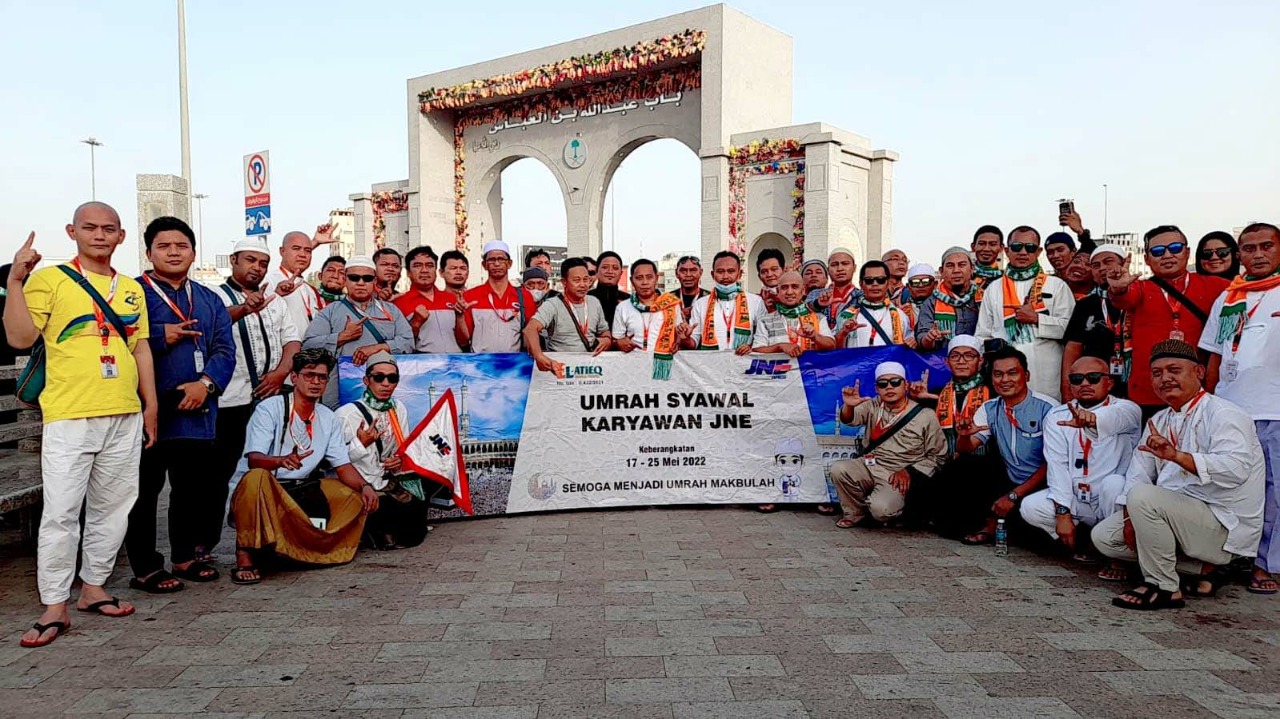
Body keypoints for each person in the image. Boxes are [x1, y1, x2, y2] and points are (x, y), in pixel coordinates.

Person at [5, 202, 158, 648]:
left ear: (122, 236)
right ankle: (55, 605)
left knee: (114, 507)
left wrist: (150, 407)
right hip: (70, 414)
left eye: (108, 229)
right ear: (72, 231)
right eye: (89, 228)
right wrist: (16, 280)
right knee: (61, 513)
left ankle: (93, 587)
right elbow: (19, 337)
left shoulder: (130, 288)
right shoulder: (50, 280)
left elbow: (140, 348)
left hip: (123, 412)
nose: (99, 235)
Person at [1093, 340, 1265, 609]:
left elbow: (1236, 470)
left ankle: (1163, 586)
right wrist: (1129, 519)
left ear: (1198, 372)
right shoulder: (1159, 420)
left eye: (1174, 370)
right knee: (1105, 537)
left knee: (1144, 497)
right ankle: (1204, 571)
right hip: (1181, 519)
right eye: (1157, 373)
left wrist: (1178, 457)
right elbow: (1138, 473)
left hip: (1223, 524)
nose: (1165, 379)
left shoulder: (1224, 413)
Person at [125, 216, 236, 593]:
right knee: (144, 491)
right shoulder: (131, 294)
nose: (173, 252)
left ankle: (184, 555)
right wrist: (161, 335)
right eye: (163, 246)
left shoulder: (208, 299)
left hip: (196, 407)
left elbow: (224, 349)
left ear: (193, 252)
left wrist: (206, 384)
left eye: (181, 246)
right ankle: (145, 567)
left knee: (190, 488)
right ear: (148, 252)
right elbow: (118, 341)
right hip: (148, 408)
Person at [228, 348, 379, 585]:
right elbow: (254, 459)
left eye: (321, 377)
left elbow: (343, 466)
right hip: (264, 490)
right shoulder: (270, 408)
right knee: (256, 477)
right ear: (294, 378)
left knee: (351, 497)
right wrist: (281, 460)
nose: (316, 382)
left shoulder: (327, 417)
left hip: (301, 490)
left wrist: (365, 486)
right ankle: (245, 553)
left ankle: (307, 548)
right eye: (309, 375)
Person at [208, 237, 302, 562]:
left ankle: (263, 537)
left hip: (273, 395)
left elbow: (292, 340)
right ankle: (206, 544)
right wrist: (244, 309)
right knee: (221, 472)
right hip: (231, 400)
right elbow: (213, 328)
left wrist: (280, 374)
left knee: (270, 466)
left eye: (262, 263)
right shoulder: (215, 296)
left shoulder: (274, 299)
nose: (256, 268)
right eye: (250, 260)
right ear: (233, 260)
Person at [1200, 222, 1280, 594]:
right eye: (1249, 248)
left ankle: (1266, 564)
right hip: (1232, 410)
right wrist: (1210, 402)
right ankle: (1224, 558)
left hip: (1275, 409)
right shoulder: (1229, 296)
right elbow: (1214, 357)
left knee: (1274, 493)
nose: (1258, 254)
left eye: (1266, 246)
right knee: (1228, 488)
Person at [1020, 357, 1142, 565]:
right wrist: (1062, 513)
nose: (1085, 384)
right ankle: (1085, 541)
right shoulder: (1057, 416)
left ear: (1109, 383)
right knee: (1030, 507)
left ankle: (1117, 557)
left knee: (1115, 484)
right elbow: (1057, 466)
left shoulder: (1127, 409)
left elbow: (1114, 419)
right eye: (1077, 379)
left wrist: (1091, 420)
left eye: (1093, 378)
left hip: (1110, 500)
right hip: (1078, 499)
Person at [1106, 225, 1229, 418]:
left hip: (1200, 390)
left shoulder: (1216, 285)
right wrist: (1118, 289)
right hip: (1150, 391)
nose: (1167, 255)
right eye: (1157, 251)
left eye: (1175, 248)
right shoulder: (1140, 287)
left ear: (1187, 252)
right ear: (1147, 259)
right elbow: (1124, 299)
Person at [951, 346, 1056, 545]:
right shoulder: (990, 408)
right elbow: (966, 449)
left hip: (1045, 483)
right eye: (998, 374)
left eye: (1012, 373)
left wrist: (1014, 496)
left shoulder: (1049, 408)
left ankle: (1003, 524)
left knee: (1033, 537)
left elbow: (1054, 463)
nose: (1004, 380)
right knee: (965, 465)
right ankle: (991, 525)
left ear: (1026, 375)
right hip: (1009, 479)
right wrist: (963, 436)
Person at [828, 362, 946, 529]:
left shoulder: (925, 415)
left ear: (905, 385)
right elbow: (849, 419)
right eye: (883, 384)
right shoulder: (873, 405)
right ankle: (855, 513)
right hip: (870, 464)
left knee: (881, 510)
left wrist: (909, 471)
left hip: (897, 473)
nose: (889, 387)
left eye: (895, 382)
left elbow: (938, 455)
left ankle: (892, 509)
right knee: (839, 469)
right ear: (877, 388)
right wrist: (848, 405)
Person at [334, 352, 429, 550]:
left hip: (386, 479)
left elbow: (400, 448)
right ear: (367, 381)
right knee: (385, 510)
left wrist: (397, 460)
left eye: (392, 378)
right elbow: (335, 462)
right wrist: (361, 443)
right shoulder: (347, 414)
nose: (386, 383)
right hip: (358, 483)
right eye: (379, 378)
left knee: (419, 500)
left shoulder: (398, 408)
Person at [976, 225, 1075, 400]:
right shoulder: (994, 288)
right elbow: (983, 334)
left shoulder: (1056, 285)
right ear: (1006, 251)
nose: (1023, 252)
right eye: (1016, 247)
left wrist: (1037, 319)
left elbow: (1072, 329)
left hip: (1047, 372)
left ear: (1038, 251)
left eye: (1029, 248)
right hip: (1006, 374)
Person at [302, 256, 413, 408]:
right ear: (346, 279)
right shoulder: (330, 311)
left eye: (367, 278)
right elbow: (308, 345)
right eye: (354, 278)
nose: (360, 283)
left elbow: (408, 342)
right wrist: (342, 337)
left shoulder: (390, 310)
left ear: (374, 281)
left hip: (383, 391)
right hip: (339, 391)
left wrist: (377, 348)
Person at [1062, 245, 1131, 400]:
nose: (1102, 268)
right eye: (1096, 265)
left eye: (1108, 261)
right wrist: (1067, 393)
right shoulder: (1085, 305)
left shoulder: (1140, 296)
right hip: (1094, 386)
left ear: (1124, 263)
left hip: (1136, 384)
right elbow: (1072, 349)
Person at [525, 257, 613, 373]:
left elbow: (604, 331)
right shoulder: (552, 304)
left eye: (586, 279)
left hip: (590, 370)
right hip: (562, 369)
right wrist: (539, 356)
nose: (582, 285)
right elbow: (530, 329)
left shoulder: (594, 302)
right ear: (564, 282)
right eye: (576, 280)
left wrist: (607, 340)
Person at [462, 241, 539, 354]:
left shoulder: (524, 296)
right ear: (484, 265)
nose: (497, 264)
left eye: (501, 259)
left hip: (514, 364)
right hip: (480, 365)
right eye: (492, 260)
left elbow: (531, 333)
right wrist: (459, 316)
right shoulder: (470, 296)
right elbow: (463, 340)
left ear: (509, 263)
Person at [683, 252, 767, 354]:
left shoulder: (756, 302)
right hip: (710, 366)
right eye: (720, 271)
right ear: (712, 275)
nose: (725, 276)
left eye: (731, 271)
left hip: (743, 363)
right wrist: (685, 338)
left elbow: (762, 338)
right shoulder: (700, 304)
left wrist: (751, 347)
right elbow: (694, 342)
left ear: (739, 274)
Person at [393, 246, 465, 354]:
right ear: (408, 272)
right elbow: (400, 345)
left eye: (430, 265)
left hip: (455, 363)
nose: (424, 270)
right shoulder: (398, 304)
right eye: (417, 266)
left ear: (436, 270)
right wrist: (416, 323)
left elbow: (465, 341)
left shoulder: (452, 299)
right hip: (423, 365)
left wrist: (460, 316)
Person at [612, 259, 684, 366]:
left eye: (649, 277)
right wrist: (619, 343)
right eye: (639, 278)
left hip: (665, 365)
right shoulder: (623, 307)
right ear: (632, 281)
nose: (645, 282)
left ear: (656, 278)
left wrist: (680, 339)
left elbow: (679, 335)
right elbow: (616, 340)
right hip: (633, 365)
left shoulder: (671, 304)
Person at [265, 227, 332, 340]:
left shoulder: (309, 289)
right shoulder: (269, 282)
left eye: (308, 251)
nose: (302, 255)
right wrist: (277, 295)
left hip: (310, 353)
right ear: (282, 251)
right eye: (296, 248)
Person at [752, 270, 837, 356]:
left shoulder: (818, 318)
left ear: (803, 290)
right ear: (778, 291)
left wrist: (814, 336)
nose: (789, 292)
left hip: (811, 369)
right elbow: (756, 350)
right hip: (781, 369)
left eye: (795, 287)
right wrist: (780, 347)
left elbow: (832, 345)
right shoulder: (765, 320)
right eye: (784, 287)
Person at [836, 261, 915, 348]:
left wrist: (914, 341)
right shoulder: (846, 315)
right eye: (869, 280)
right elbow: (835, 352)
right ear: (861, 284)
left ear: (888, 283)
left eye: (880, 280)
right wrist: (843, 333)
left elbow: (909, 348)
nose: (875, 284)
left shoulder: (900, 316)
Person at [916, 247, 981, 351]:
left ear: (972, 268)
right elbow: (922, 338)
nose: (956, 270)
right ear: (941, 271)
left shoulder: (982, 298)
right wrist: (929, 338)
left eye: (962, 265)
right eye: (950, 266)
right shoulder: (931, 302)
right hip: (942, 362)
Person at [808, 247, 858, 326]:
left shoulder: (861, 296)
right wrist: (818, 304)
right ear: (828, 270)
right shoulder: (816, 294)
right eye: (834, 265)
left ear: (854, 268)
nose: (840, 268)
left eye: (845, 263)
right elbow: (805, 310)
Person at [588, 251, 630, 327]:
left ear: (621, 273)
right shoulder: (585, 298)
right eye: (605, 267)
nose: (610, 271)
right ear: (597, 271)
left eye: (615, 268)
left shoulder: (630, 301)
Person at [668, 255, 709, 323]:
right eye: (683, 271)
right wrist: (678, 315)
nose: (688, 274)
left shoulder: (710, 298)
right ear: (676, 273)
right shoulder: (668, 299)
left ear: (701, 272)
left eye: (693, 270)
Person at [971, 225, 1005, 289]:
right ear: (973, 247)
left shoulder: (1006, 279)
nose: (986, 249)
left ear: (1001, 248)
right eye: (981, 244)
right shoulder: (963, 276)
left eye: (992, 244)